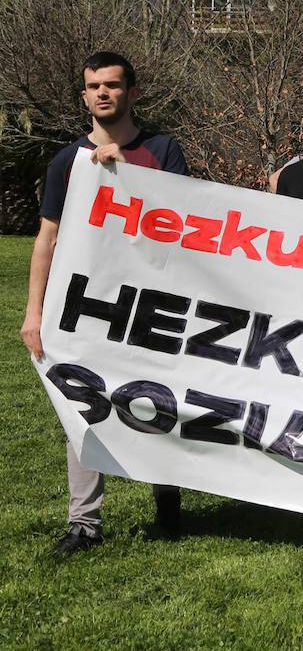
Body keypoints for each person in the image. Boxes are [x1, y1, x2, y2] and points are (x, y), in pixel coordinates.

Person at [24, 50, 188, 554]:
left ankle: (167, 493)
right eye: (94, 85)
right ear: (84, 95)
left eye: (113, 85)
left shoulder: (161, 150)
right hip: (85, 307)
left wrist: (131, 176)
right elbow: (47, 237)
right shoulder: (67, 161)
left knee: (159, 400)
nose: (103, 93)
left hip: (151, 303)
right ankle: (84, 522)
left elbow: (187, 225)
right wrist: (34, 312)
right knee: (83, 405)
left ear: (131, 92)